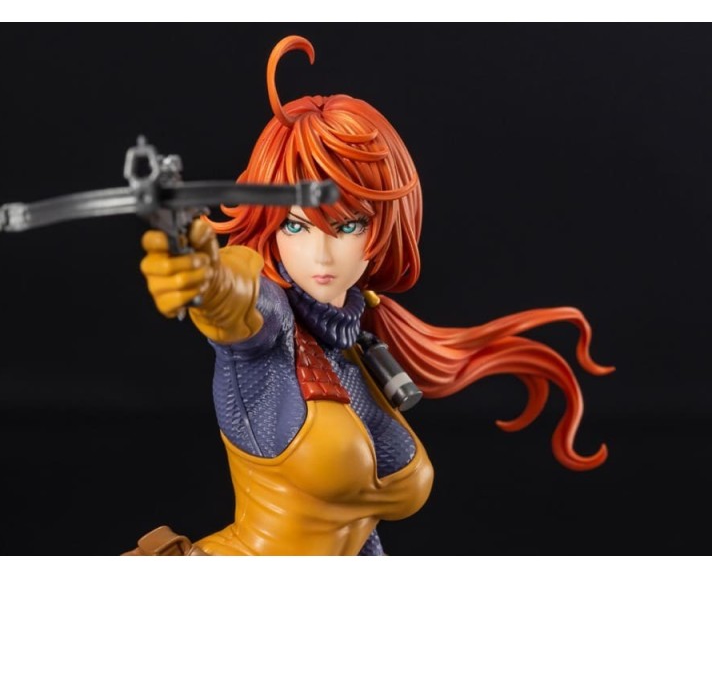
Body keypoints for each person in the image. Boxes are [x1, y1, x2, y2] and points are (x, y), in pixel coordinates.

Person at [125, 35, 613, 556]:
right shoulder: (267, 332)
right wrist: (202, 271)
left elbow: (360, 532)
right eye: (295, 227)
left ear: (385, 226)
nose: (321, 255)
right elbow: (236, 302)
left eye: (347, 225)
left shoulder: (357, 341)